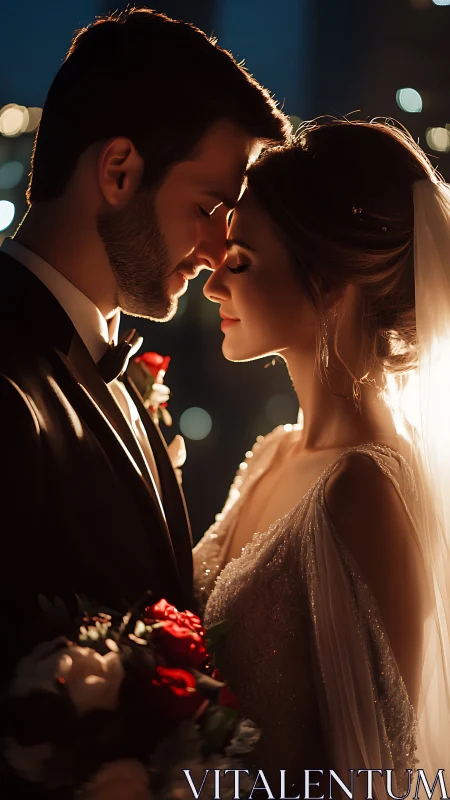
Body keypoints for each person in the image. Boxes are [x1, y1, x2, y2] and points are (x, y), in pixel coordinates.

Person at [0, 7, 289, 681]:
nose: (221, 252)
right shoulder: (9, 389)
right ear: (120, 172)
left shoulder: (108, 363)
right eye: (207, 209)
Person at [194, 119, 450, 796]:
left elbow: (377, 775)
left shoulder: (363, 488)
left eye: (240, 260)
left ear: (332, 285)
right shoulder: (273, 451)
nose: (213, 285)